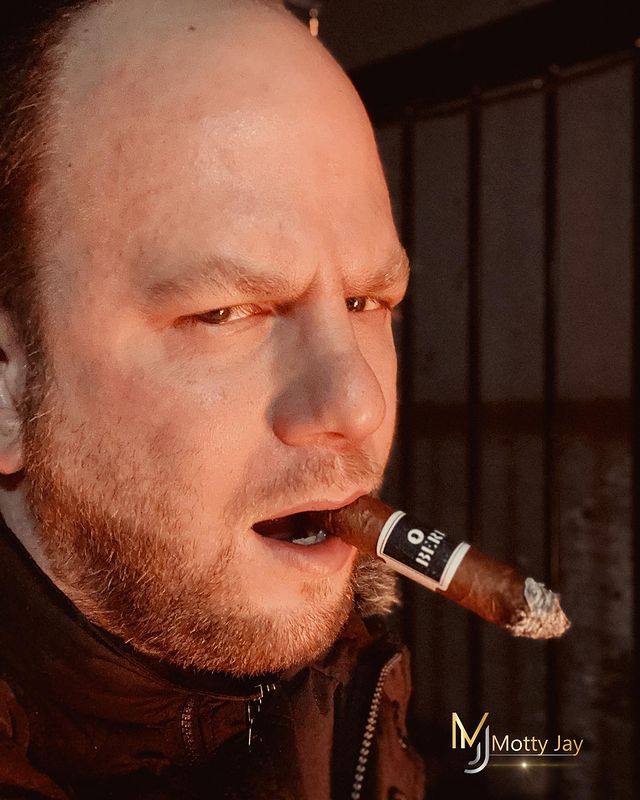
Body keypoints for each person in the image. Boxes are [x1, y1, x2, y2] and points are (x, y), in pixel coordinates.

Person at [0, 1, 425, 797]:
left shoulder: (352, 702)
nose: (358, 403)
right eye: (226, 312)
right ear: (7, 384)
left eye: (367, 301)